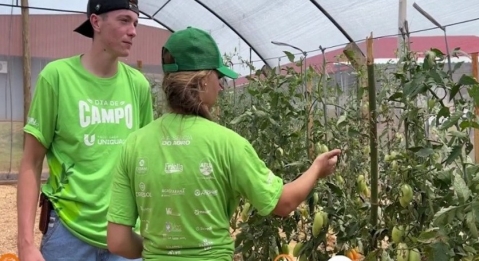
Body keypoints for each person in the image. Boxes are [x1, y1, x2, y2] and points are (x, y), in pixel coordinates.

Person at [105, 26, 341, 261]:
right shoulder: (228, 144)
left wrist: (159, 251)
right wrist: (316, 170)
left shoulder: (134, 144)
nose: (220, 85)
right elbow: (283, 203)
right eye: (218, 77)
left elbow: (117, 241)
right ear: (203, 81)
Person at [16, 0, 153, 260]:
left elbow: (145, 163)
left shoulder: (138, 86)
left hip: (125, 236)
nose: (133, 31)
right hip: (68, 234)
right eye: (124, 20)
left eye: (135, 23)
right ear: (96, 22)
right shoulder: (57, 77)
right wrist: (25, 244)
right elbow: (31, 162)